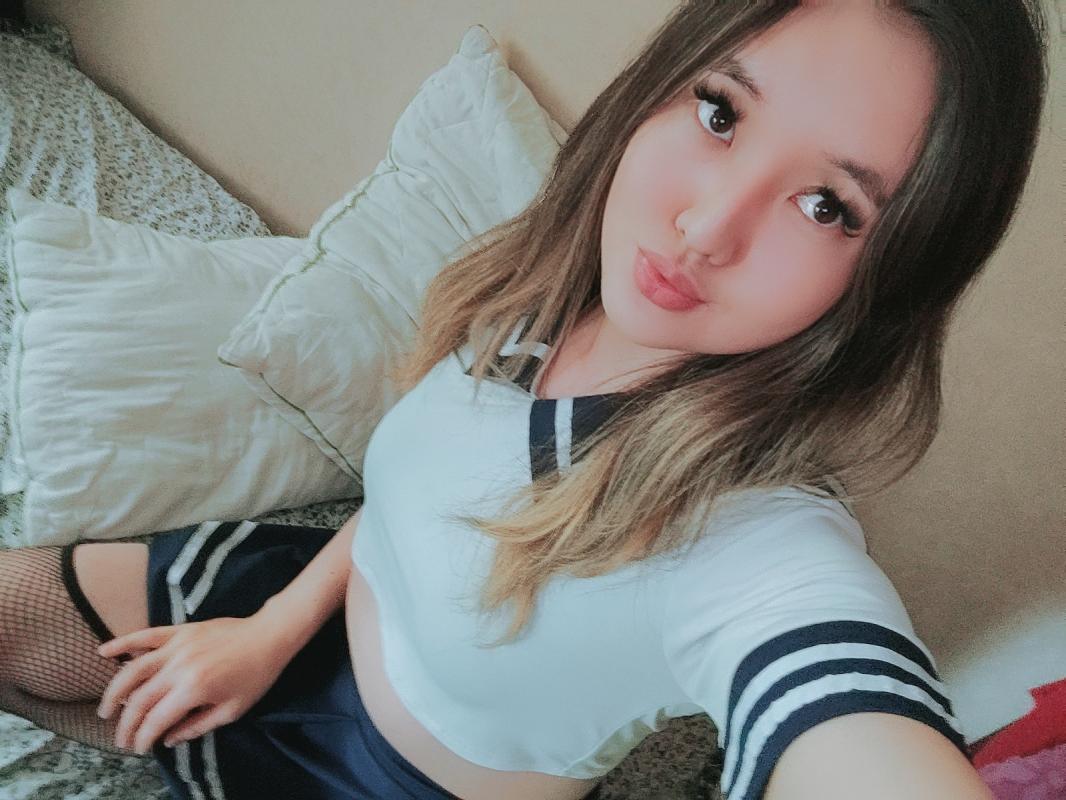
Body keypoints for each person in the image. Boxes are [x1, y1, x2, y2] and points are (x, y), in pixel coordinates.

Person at [0, 1, 1049, 798]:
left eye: (827, 204)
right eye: (720, 112)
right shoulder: (544, 297)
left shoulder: (751, 536)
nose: (705, 227)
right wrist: (267, 631)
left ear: (892, 279)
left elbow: (840, 699)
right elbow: (427, 496)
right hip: (291, 610)